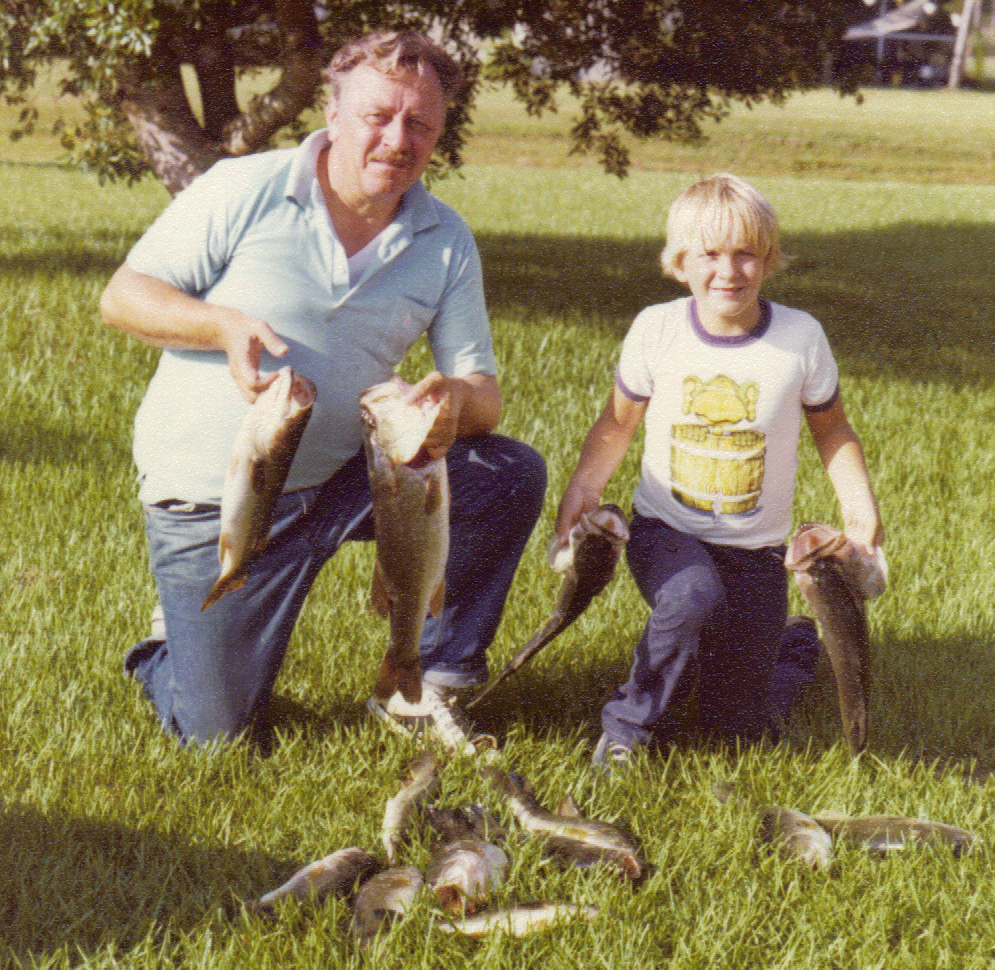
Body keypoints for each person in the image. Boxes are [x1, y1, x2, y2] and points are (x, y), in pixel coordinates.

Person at [100, 30, 546, 751]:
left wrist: (448, 405)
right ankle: (166, 645)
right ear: (333, 111)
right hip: (227, 497)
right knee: (216, 738)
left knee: (506, 471)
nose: (397, 139)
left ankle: (433, 680)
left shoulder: (444, 237)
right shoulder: (240, 188)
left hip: (353, 476)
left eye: (419, 124)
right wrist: (219, 326)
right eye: (377, 116)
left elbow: (483, 394)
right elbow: (123, 297)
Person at [553, 174, 883, 773]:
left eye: (745, 254)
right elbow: (618, 424)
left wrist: (860, 513)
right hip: (665, 533)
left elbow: (832, 431)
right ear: (680, 263)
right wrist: (583, 492)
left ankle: (794, 645)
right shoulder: (657, 330)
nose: (728, 270)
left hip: (758, 552)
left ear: (768, 260)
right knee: (691, 596)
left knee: (736, 730)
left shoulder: (799, 339)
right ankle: (628, 727)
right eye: (709, 253)